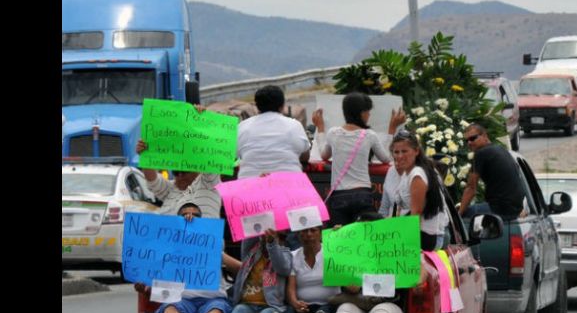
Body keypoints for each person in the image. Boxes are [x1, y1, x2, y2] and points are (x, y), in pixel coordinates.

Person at [136, 203, 239, 313]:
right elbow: (161, 289)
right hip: (183, 301)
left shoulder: (212, 245)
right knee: (171, 308)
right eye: (184, 215)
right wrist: (146, 290)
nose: (189, 218)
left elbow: (240, 268)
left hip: (212, 300)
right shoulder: (170, 252)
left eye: (195, 216)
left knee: (216, 309)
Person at [237, 85, 311, 256]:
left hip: (251, 192)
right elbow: (304, 153)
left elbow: (237, 154)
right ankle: (294, 276)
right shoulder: (293, 125)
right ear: (282, 105)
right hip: (289, 192)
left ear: (256, 106)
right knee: (294, 240)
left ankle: (249, 278)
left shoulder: (243, 127)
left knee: (252, 239)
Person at [311, 92, 405, 226]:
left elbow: (324, 155)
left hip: (339, 196)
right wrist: (392, 128)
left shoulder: (333, 133)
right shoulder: (369, 135)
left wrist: (320, 128)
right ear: (361, 113)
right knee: (364, 238)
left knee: (340, 240)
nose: (369, 115)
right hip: (362, 195)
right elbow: (386, 158)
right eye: (368, 111)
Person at [323, 212, 404, 313]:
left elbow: (416, 274)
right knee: (344, 311)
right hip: (357, 303)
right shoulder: (349, 253)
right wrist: (337, 240)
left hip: (386, 304)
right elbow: (350, 286)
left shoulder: (395, 251)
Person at [216, 229, 292, 313]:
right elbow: (248, 235)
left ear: (281, 239)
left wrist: (272, 244)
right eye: (263, 236)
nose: (265, 238)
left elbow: (283, 268)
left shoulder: (286, 254)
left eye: (273, 237)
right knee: (239, 310)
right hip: (248, 305)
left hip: (270, 306)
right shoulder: (251, 253)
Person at [268, 225, 340, 313]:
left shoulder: (333, 251)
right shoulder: (293, 256)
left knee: (323, 312)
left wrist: (340, 234)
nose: (309, 234)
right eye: (305, 231)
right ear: (299, 235)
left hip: (328, 304)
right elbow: (291, 286)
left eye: (313, 230)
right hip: (303, 307)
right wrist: (295, 302)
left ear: (321, 234)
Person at [389, 130, 448, 251]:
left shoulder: (417, 174)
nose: (400, 156)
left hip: (424, 238)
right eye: (396, 152)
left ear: (416, 151)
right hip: (423, 235)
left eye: (404, 151)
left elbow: (415, 215)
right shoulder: (415, 171)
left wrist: (412, 250)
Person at [136, 139, 222, 219]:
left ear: (197, 168)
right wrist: (145, 155)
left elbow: (210, 161)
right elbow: (152, 181)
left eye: (184, 171)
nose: (180, 175)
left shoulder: (208, 183)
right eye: (176, 172)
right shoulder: (171, 188)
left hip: (200, 234)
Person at [458, 123, 527, 220]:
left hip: (498, 209)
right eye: (466, 140)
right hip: (514, 208)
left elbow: (471, 188)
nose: (469, 142)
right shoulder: (500, 149)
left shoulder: (481, 153)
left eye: (473, 138)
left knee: (462, 215)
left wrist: (459, 214)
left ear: (485, 136)